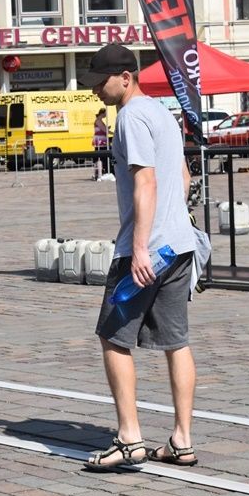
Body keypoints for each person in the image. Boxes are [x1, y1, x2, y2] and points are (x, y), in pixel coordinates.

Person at [78, 43, 199, 470]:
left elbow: (144, 181)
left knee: (113, 336)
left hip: (146, 249)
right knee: (176, 342)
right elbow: (182, 176)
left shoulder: (130, 116)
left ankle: (130, 438)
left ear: (125, 77)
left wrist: (142, 246)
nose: (96, 90)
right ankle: (182, 439)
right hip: (180, 244)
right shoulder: (163, 112)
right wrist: (172, 223)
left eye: (101, 82)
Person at [92, 107, 110, 181]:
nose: (106, 115)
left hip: (101, 140)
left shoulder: (99, 121)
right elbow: (104, 129)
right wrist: (109, 130)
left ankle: (100, 172)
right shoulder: (98, 121)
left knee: (101, 157)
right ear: (102, 113)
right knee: (101, 156)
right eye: (105, 114)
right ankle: (100, 173)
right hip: (100, 141)